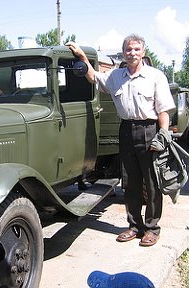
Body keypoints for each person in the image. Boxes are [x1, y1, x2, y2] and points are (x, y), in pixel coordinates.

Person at [66, 34, 176, 247]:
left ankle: (152, 229)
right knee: (130, 183)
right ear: (124, 52)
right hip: (126, 130)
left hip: (150, 130)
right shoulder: (116, 76)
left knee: (152, 184)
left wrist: (163, 134)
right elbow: (94, 77)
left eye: (136, 49)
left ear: (143, 52)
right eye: (128, 49)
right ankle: (135, 226)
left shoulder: (155, 76)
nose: (132, 53)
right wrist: (81, 55)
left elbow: (163, 109)